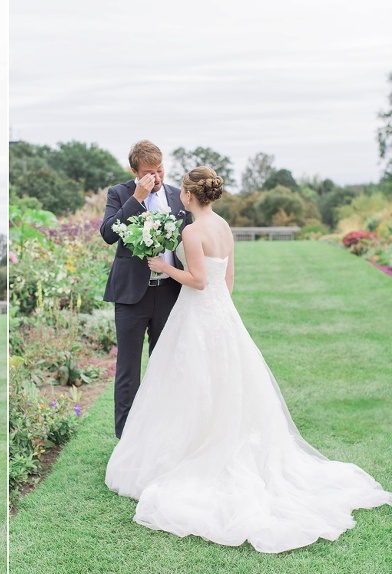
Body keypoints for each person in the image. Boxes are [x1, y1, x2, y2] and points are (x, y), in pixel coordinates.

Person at [105, 166, 392, 553]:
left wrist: (165, 267)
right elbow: (227, 281)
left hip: (197, 312)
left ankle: (190, 449)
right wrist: (222, 311)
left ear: (188, 196)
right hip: (222, 314)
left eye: (183, 194)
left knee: (186, 381)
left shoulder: (191, 231)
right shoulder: (224, 225)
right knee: (223, 381)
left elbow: (198, 279)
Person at [100, 140, 192, 438]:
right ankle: (125, 439)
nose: (156, 177)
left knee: (165, 365)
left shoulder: (178, 198)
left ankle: (161, 435)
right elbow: (108, 234)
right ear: (135, 172)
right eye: (149, 172)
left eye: (160, 170)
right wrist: (137, 198)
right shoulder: (120, 193)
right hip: (130, 296)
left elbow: (191, 238)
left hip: (169, 292)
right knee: (128, 370)